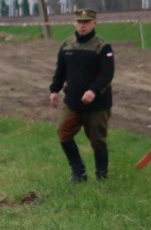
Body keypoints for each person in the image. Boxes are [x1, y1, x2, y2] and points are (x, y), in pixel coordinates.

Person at [48, 9, 114, 182]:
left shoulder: (102, 46)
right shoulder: (67, 45)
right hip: (72, 101)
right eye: (79, 22)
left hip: (97, 104)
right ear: (74, 23)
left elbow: (107, 74)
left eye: (86, 22)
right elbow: (60, 71)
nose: (82, 25)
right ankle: (78, 172)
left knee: (97, 140)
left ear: (94, 23)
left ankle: (101, 176)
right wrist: (54, 90)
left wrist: (93, 90)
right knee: (63, 131)